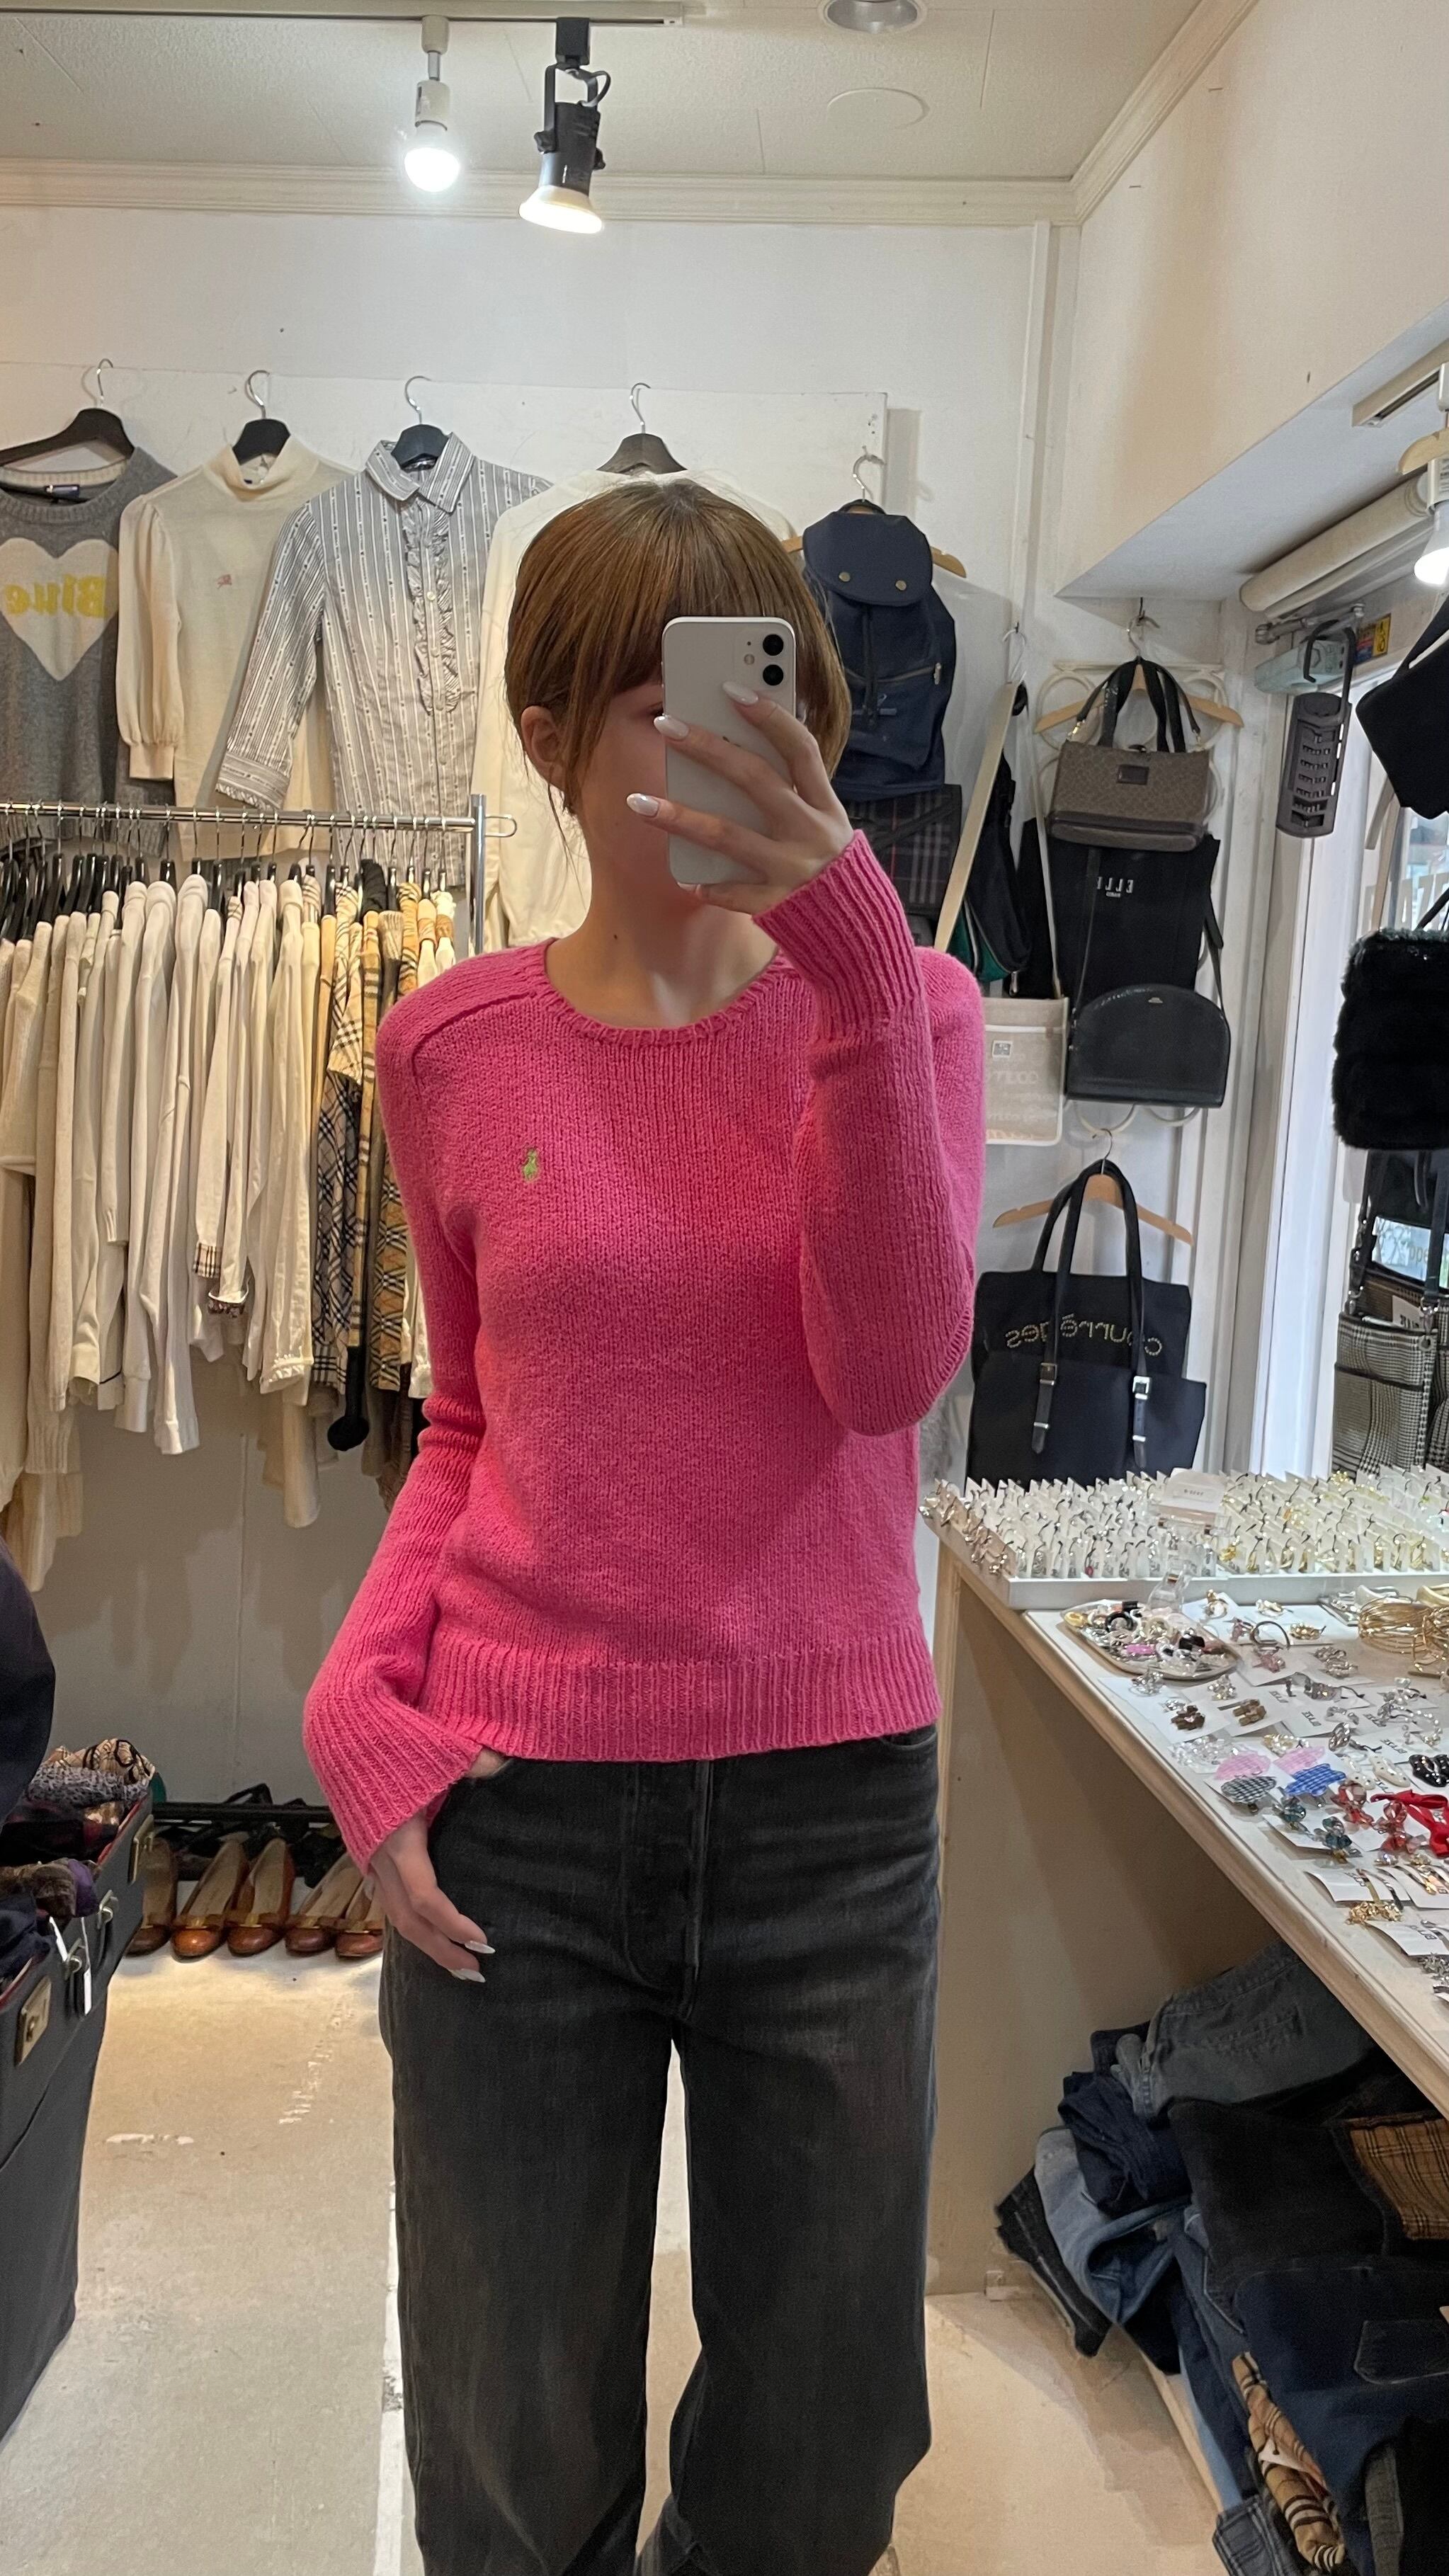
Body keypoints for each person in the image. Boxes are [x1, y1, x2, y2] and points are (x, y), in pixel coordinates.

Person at [304, 479, 985, 2576]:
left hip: (829, 1814)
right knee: (510, 2439)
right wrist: (358, 1695)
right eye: (665, 703)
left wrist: (857, 975)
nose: (732, 745)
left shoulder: (912, 1014)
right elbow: (468, 1424)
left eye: (768, 694)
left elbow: (889, 1377)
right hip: (525, 1807)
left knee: (823, 2450)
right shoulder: (448, 1046)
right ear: (548, 738)